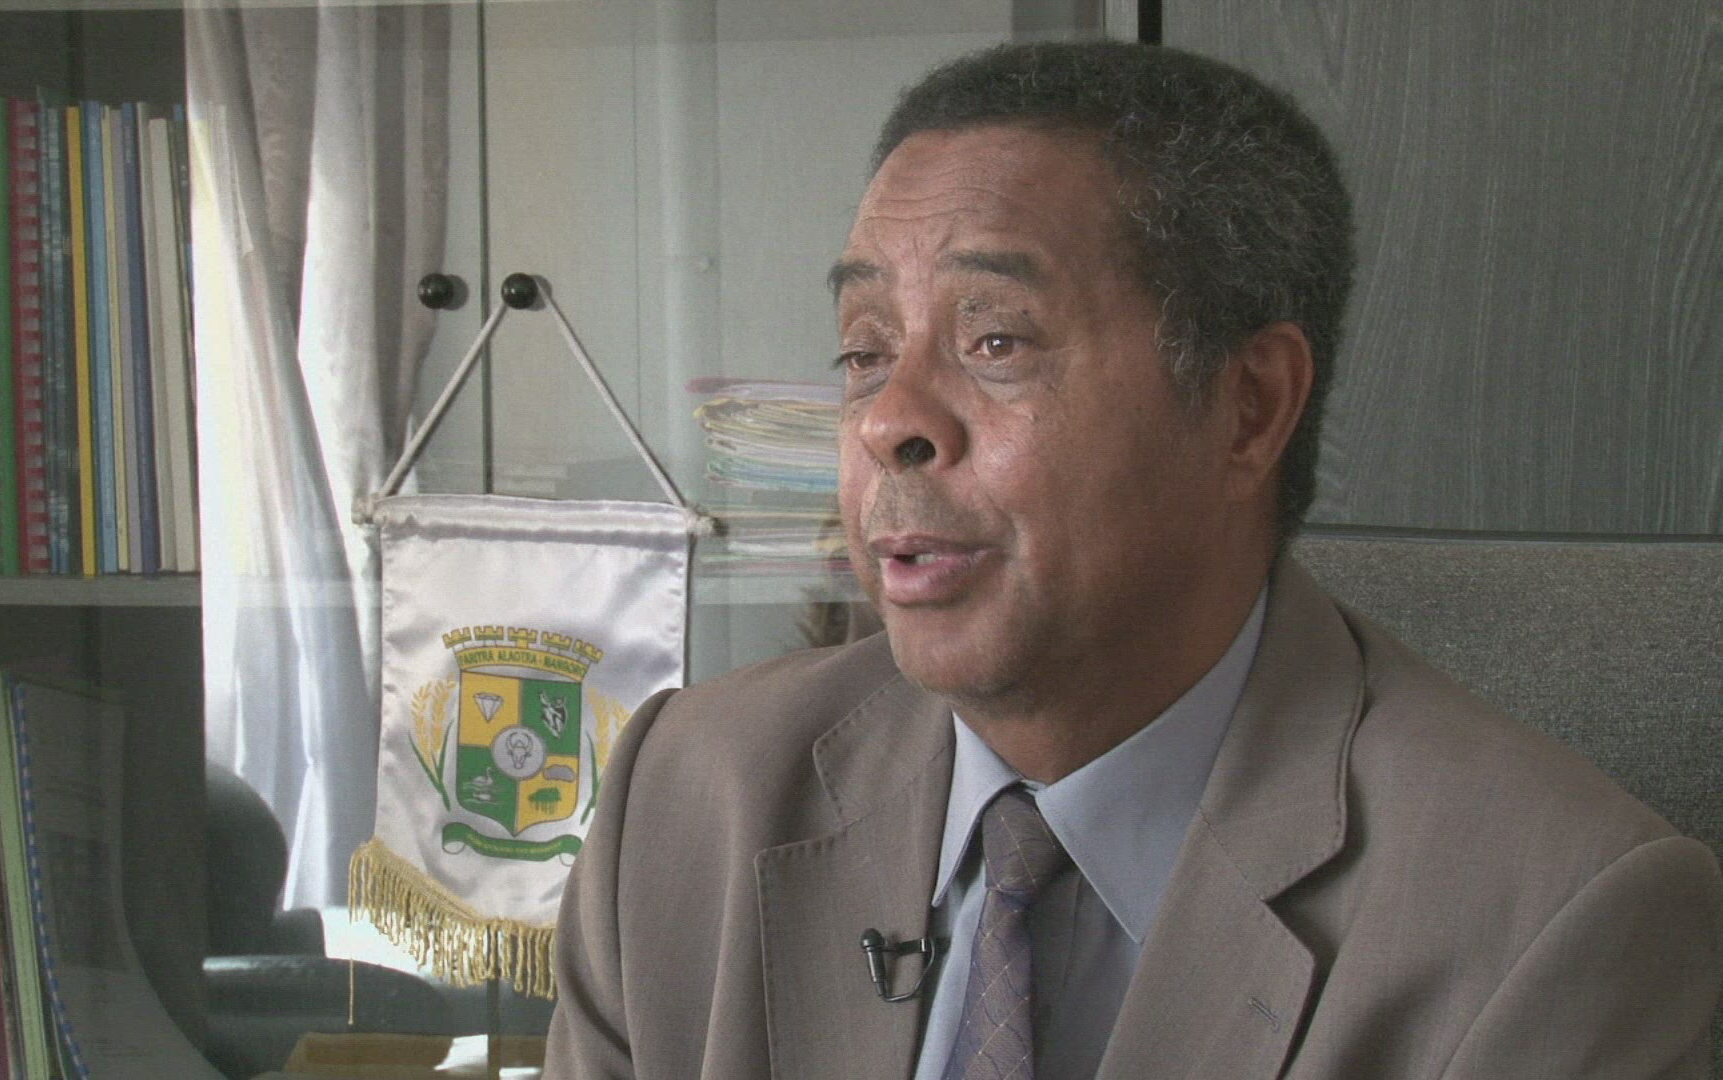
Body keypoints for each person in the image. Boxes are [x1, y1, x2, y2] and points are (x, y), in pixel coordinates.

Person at [544, 39, 1722, 1079]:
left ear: (1248, 407)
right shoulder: (687, 800)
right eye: (864, 350)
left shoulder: (1556, 922)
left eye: (995, 340)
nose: (887, 418)